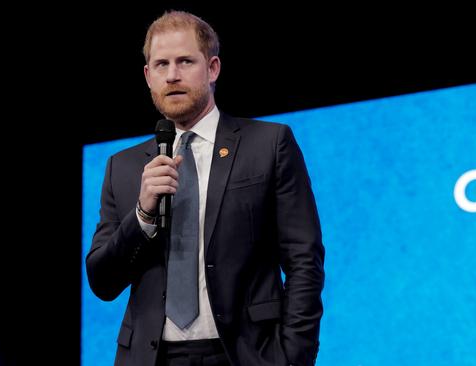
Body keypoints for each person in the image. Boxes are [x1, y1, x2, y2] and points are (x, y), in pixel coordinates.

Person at [86, 10, 324, 366]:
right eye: (161, 64)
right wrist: (143, 214)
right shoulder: (123, 167)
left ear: (212, 68)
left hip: (244, 354)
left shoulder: (269, 144)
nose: (173, 75)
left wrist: (293, 356)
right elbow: (102, 281)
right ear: (149, 77)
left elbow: (304, 260)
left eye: (185, 61)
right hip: (152, 358)